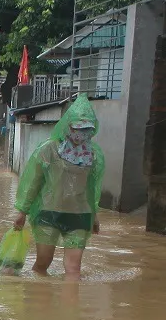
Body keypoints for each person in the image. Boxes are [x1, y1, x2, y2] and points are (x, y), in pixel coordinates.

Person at [11, 95, 103, 280]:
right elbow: (32, 182)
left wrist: (94, 215)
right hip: (48, 214)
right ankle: (41, 303)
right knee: (43, 263)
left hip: (80, 215)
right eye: (78, 128)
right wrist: (22, 211)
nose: (81, 133)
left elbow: (92, 187)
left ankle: (70, 308)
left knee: (73, 269)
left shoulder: (93, 155)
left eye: (86, 129)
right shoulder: (48, 150)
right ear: (68, 126)